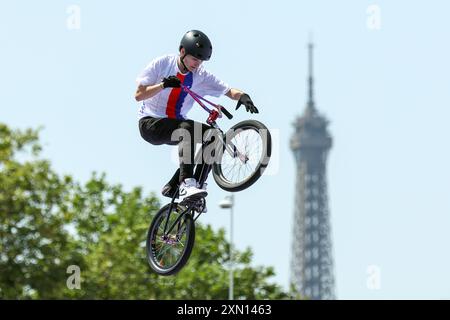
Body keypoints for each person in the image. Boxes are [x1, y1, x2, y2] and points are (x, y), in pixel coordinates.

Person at [135, 30, 258, 204]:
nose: (197, 64)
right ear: (182, 51)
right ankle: (186, 183)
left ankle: (192, 187)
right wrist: (163, 85)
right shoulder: (163, 64)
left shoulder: (200, 76)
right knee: (186, 129)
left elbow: (228, 90)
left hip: (177, 124)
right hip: (150, 123)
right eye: (194, 59)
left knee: (215, 136)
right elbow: (138, 95)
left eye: (201, 61)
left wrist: (243, 97)